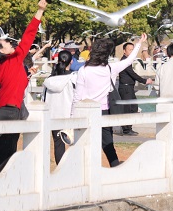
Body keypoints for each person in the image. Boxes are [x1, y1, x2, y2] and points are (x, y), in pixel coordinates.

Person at [0, 0, 47, 176]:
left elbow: (13, 84)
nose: (10, 43)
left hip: (1, 112)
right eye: (6, 43)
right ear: (2, 51)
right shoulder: (14, 59)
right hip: (10, 113)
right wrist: (40, 11)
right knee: (5, 158)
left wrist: (26, 76)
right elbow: (29, 35)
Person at [72, 33, 147, 167]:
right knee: (108, 144)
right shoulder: (110, 69)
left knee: (86, 143)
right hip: (104, 111)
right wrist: (139, 43)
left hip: (86, 112)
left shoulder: (84, 70)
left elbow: (77, 96)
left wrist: (72, 115)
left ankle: (88, 170)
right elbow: (129, 60)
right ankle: (115, 167)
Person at [43, 50, 76, 164]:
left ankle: (60, 169)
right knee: (75, 143)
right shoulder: (73, 78)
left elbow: (44, 98)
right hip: (69, 115)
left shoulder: (49, 80)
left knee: (58, 144)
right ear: (71, 61)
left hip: (53, 116)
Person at [117, 41, 152, 136]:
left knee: (133, 107)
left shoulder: (128, 61)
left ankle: (128, 127)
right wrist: (144, 81)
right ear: (124, 51)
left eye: (133, 50)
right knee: (127, 109)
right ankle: (126, 129)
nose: (132, 52)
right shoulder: (124, 61)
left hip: (129, 88)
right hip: (125, 88)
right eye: (130, 50)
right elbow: (132, 74)